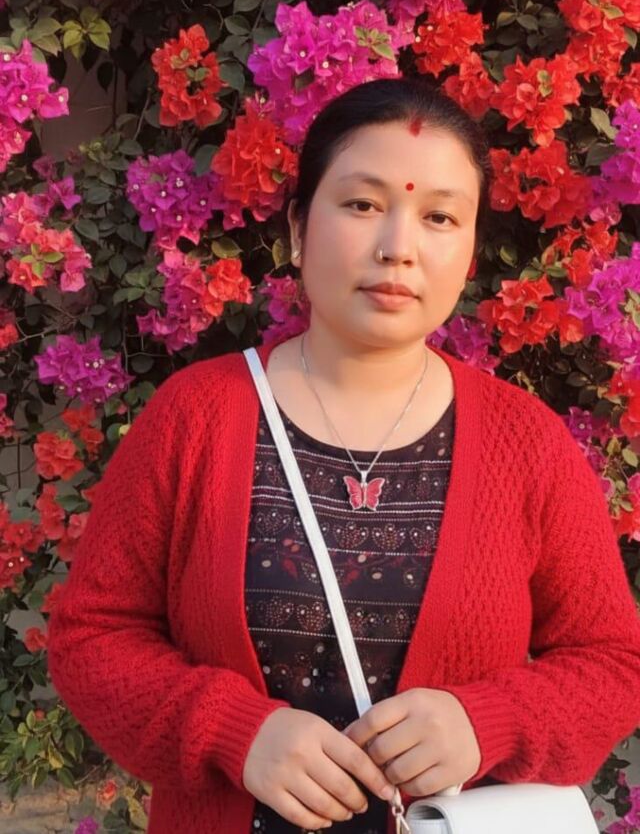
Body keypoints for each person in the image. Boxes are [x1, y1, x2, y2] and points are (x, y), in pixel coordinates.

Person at [47, 77, 640, 834]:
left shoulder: (525, 444)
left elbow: (612, 660)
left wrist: (485, 722)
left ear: (469, 251)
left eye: (439, 217)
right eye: (361, 204)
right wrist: (233, 732)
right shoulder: (194, 418)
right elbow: (93, 635)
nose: (398, 248)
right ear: (298, 228)